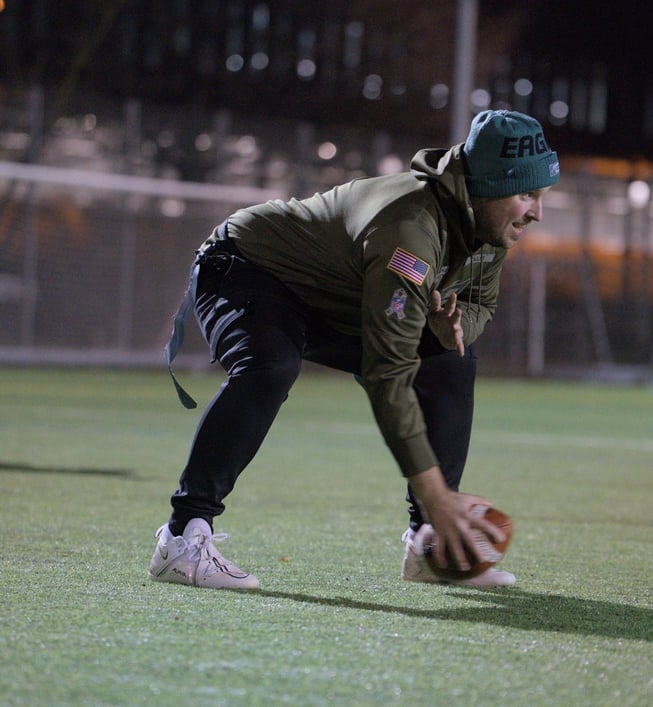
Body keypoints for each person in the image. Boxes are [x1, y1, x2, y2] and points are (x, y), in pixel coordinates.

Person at [148, 109, 560, 591]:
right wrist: (438, 494)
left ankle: (427, 544)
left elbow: (481, 304)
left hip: (332, 297)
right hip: (247, 266)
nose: (537, 212)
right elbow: (388, 374)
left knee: (451, 360)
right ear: (487, 185)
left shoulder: (486, 229)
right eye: (526, 194)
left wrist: (453, 327)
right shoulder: (410, 231)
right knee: (270, 365)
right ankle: (181, 537)